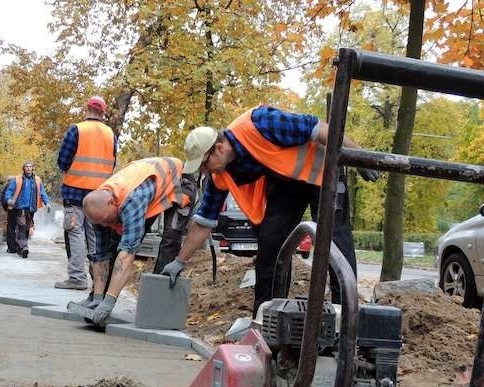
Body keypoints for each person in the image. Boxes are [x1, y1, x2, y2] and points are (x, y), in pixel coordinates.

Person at [161, 106, 379, 317]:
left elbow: (320, 128)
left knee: (333, 243)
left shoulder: (260, 122)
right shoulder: (219, 175)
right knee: (270, 246)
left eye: (204, 165)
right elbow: (203, 222)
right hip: (286, 183)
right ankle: (267, 319)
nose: (204, 171)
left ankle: (346, 320)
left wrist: (357, 157)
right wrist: (180, 261)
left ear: (219, 148)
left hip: (322, 172)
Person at [69, 157, 196, 326]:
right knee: (114, 242)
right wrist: (98, 297)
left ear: (112, 202)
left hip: (180, 183)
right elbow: (100, 256)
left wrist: (109, 303)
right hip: (151, 189)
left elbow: (128, 254)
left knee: (169, 240)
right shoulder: (97, 209)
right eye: (102, 223)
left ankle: (157, 307)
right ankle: (96, 299)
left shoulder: (132, 201)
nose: (106, 225)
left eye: (107, 220)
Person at [54, 96, 118, 290]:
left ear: (87, 109)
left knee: (75, 232)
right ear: (103, 113)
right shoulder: (110, 135)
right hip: (99, 195)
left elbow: (63, 161)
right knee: (95, 236)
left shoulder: (77, 129)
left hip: (75, 191)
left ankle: (77, 277)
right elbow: (112, 164)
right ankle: (98, 282)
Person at [3, 161, 51, 258]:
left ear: (33, 168)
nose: (28, 168)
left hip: (31, 209)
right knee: (22, 226)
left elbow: (42, 193)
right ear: (23, 168)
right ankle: (24, 247)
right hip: (20, 208)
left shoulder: (37, 180)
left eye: (30, 166)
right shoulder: (17, 179)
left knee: (26, 228)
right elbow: (9, 191)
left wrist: (47, 203)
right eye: (26, 166)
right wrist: (8, 200)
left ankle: (21, 247)